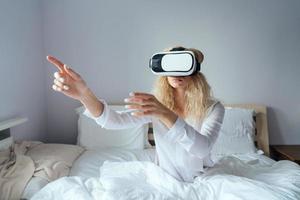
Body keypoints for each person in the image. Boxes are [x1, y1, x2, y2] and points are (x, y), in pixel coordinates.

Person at [47, 46, 225, 182]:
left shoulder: (213, 108)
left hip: (205, 180)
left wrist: (165, 114)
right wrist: (84, 94)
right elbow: (114, 121)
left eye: (182, 66)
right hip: (165, 179)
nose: (177, 72)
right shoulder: (155, 104)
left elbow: (202, 149)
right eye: (171, 66)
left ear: (195, 71)